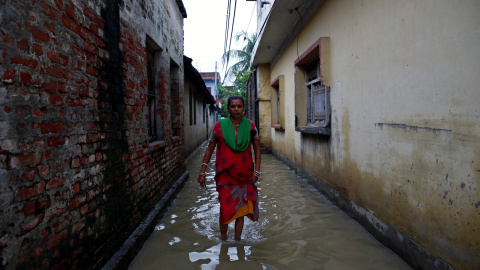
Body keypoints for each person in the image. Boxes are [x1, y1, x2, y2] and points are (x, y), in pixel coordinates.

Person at [198, 95, 261, 240]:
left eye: (239, 106)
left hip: (245, 177)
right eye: (233, 106)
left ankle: (237, 240)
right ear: (228, 109)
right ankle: (224, 238)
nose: (236, 109)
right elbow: (209, 149)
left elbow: (257, 150)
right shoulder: (219, 126)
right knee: (225, 210)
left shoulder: (251, 126)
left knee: (241, 210)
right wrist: (202, 172)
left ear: (243, 108)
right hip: (225, 177)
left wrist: (257, 172)